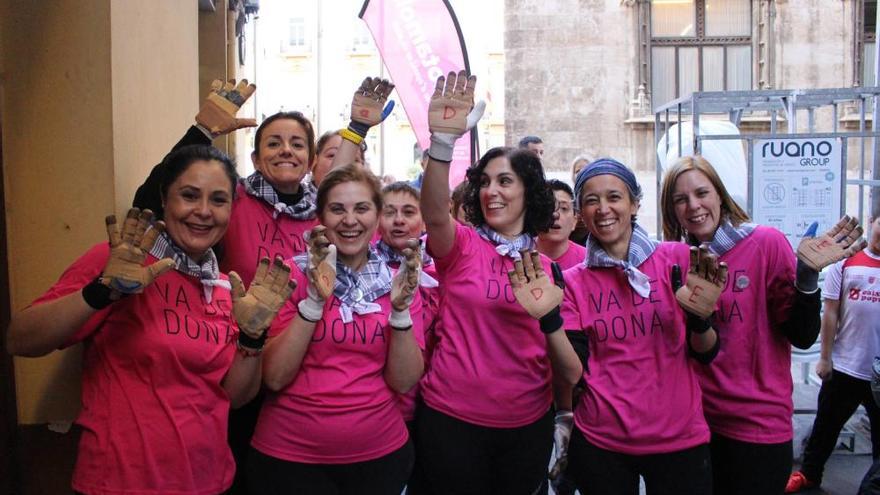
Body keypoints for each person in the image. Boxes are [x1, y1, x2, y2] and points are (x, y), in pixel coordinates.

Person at [132, 77, 393, 491]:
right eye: (273, 143)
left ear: (310, 162)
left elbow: (341, 183)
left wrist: (356, 130)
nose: (285, 149)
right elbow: (151, 200)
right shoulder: (231, 200)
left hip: (306, 371)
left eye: (296, 143)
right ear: (255, 159)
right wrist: (201, 132)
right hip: (241, 361)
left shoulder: (323, 215)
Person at [6, 145, 294, 495]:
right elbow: (19, 339)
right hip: (121, 482)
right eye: (189, 196)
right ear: (164, 198)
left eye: (218, 200)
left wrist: (252, 337)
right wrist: (100, 292)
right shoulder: (120, 264)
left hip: (210, 480)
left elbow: (233, 397)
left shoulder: (222, 288)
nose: (203, 211)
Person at [660, 155, 865, 495]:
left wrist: (807, 277)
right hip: (695, 425)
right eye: (681, 199)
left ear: (720, 196)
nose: (693, 206)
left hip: (756, 427)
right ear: (672, 209)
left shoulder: (764, 243)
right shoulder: (678, 260)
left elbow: (801, 335)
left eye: (701, 193)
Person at [418, 71, 582, 495]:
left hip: (524, 426)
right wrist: (442, 144)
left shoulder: (549, 269)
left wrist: (562, 417)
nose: (491, 191)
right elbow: (435, 214)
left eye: (505, 181)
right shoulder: (464, 247)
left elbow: (571, 371)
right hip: (450, 419)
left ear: (530, 191)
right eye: (485, 182)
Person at [246, 163, 424, 495]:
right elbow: (275, 377)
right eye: (337, 209)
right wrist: (313, 302)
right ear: (321, 218)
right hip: (289, 458)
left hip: (379, 456)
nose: (350, 220)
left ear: (376, 216)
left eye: (362, 208)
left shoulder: (400, 281)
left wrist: (400, 312)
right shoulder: (292, 276)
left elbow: (403, 381)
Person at [560, 157, 725, 495]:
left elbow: (706, 353)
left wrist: (700, 320)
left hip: (679, 438)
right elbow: (573, 372)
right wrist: (548, 322)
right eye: (592, 200)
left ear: (634, 203)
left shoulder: (678, 260)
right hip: (602, 440)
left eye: (614, 197)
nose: (604, 209)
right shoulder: (572, 281)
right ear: (580, 212)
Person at [785, 213, 880, 494]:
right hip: (846, 365)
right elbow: (831, 313)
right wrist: (825, 358)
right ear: (873, 221)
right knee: (825, 426)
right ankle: (809, 474)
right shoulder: (848, 261)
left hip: (878, 375)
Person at [374, 181, 441, 494]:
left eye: (408, 212)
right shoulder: (363, 269)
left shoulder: (442, 271)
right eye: (389, 212)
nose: (398, 220)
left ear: (424, 221)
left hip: (431, 409)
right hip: (384, 408)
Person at [536, 178, 586, 495]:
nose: (556, 215)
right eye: (549, 208)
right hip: (532, 393)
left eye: (564, 208)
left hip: (580, 395)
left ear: (575, 218)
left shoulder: (589, 262)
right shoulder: (520, 261)